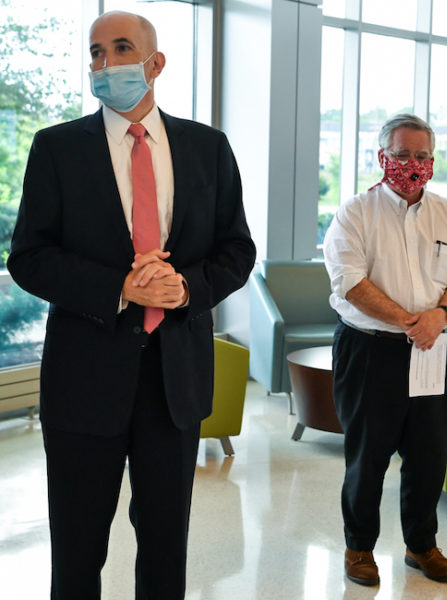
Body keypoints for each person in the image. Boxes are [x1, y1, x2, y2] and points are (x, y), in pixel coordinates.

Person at [7, 10, 255, 599]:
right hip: (83, 382)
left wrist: (186, 287)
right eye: (95, 52)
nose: (106, 63)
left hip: (176, 384)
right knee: (77, 546)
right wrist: (122, 287)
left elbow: (237, 250)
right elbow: (29, 258)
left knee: (167, 545)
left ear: (155, 63)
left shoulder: (208, 148)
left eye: (121, 48)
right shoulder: (57, 149)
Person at [323, 114, 447, 586]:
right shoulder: (355, 212)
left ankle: (421, 544)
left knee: (430, 453)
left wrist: (441, 316)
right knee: (368, 457)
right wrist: (411, 321)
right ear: (382, 158)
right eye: (403, 154)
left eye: (422, 156)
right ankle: (359, 549)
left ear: (433, 161)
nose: (413, 164)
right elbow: (349, 282)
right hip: (371, 350)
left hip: (434, 350)